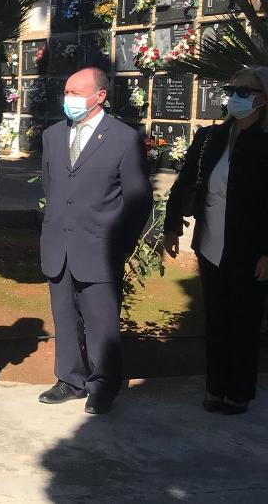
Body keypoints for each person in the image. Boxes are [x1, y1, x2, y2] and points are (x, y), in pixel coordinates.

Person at [38, 66, 151, 415]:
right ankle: (70, 379)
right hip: (59, 244)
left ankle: (103, 384)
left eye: (76, 92)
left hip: (100, 248)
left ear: (99, 96)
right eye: (67, 91)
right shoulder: (53, 135)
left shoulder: (122, 138)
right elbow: (52, 186)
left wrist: (120, 244)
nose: (68, 98)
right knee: (64, 315)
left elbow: (138, 199)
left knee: (101, 320)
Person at [161, 66, 268, 415]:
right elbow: (186, 180)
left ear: (262, 99)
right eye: (233, 88)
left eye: (245, 90)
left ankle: (239, 391)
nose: (236, 95)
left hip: (250, 249)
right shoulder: (211, 138)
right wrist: (172, 225)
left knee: (245, 320)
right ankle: (215, 387)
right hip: (210, 243)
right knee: (217, 318)